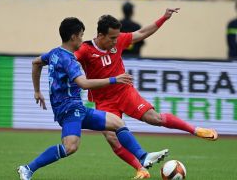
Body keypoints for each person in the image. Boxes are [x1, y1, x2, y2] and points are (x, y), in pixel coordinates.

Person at [17, 17, 168, 180]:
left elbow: (36, 62)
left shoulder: (54, 53)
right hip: (69, 109)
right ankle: (27, 168)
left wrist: (37, 91)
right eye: (81, 35)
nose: (83, 39)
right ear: (74, 37)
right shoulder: (70, 60)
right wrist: (114, 79)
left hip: (75, 108)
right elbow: (83, 83)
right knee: (70, 147)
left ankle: (143, 156)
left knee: (117, 123)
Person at [75, 10, 218, 173]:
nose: (116, 41)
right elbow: (67, 59)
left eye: (117, 37)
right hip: (104, 101)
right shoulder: (86, 49)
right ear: (100, 35)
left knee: (154, 118)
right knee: (112, 138)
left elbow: (142, 33)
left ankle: (195, 130)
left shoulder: (119, 40)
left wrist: (164, 18)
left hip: (124, 93)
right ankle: (141, 169)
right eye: (112, 38)